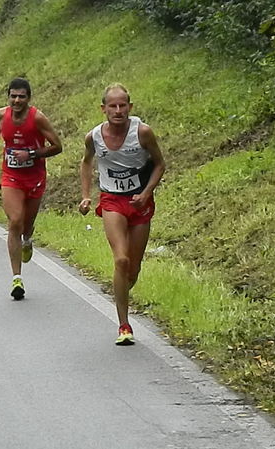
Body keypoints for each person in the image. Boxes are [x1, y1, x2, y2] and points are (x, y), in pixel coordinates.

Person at [79, 83, 165, 345]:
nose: (118, 111)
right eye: (112, 106)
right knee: (121, 260)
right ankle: (124, 325)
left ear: (130, 107)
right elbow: (86, 162)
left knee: (133, 270)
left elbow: (160, 164)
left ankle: (120, 295)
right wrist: (85, 195)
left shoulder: (142, 132)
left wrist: (147, 192)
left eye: (122, 105)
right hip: (111, 201)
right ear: (103, 109)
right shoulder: (93, 137)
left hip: (139, 203)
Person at [0, 78, 63, 300]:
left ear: (29, 98)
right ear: (8, 97)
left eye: (22, 97)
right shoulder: (1, 115)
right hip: (11, 176)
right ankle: (16, 278)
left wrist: (30, 154)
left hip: (35, 178)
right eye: (13, 96)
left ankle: (27, 239)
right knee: (15, 221)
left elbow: (58, 146)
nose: (17, 100)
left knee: (26, 226)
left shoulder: (37, 118)